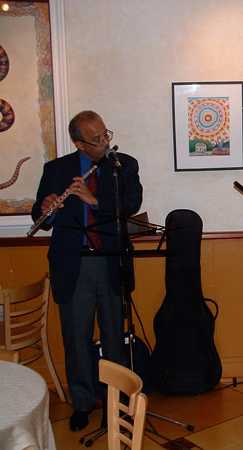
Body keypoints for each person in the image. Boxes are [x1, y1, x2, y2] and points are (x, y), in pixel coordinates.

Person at [31, 110, 143, 432]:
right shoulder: (56, 170)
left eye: (106, 134)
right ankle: (81, 404)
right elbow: (42, 217)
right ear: (80, 144)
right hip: (73, 264)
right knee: (76, 339)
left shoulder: (123, 165)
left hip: (109, 260)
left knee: (114, 337)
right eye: (97, 140)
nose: (105, 142)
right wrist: (48, 209)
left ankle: (116, 402)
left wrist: (95, 200)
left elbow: (131, 203)